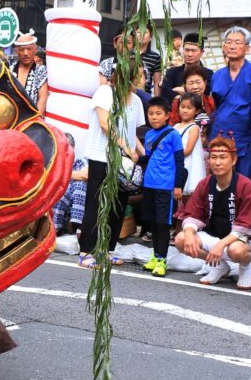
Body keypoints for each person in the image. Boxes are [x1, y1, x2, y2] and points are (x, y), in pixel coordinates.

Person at [78, 62, 146, 268]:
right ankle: (86, 251)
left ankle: (107, 249)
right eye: (141, 75)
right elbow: (105, 122)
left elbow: (131, 132)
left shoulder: (136, 101)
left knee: (118, 204)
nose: (144, 80)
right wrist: (125, 147)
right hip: (102, 155)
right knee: (97, 202)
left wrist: (143, 153)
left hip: (123, 162)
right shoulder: (106, 92)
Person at [174, 137, 251, 288]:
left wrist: (222, 244)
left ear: (233, 160)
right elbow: (192, 213)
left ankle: (245, 268)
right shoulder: (205, 183)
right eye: (213, 157)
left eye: (223, 157)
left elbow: (247, 225)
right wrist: (188, 233)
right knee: (181, 239)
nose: (217, 162)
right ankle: (218, 265)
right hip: (213, 236)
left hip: (239, 242)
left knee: (236, 250)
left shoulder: (246, 185)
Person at [140, 96, 185, 277]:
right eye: (151, 114)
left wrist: (178, 185)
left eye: (158, 113)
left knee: (162, 224)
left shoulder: (173, 134)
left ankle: (162, 260)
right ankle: (155, 256)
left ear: (167, 115)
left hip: (165, 186)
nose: (154, 117)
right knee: (152, 223)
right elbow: (147, 158)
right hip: (149, 184)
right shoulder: (149, 135)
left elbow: (180, 161)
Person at [209, 26, 251, 178]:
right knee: (220, 178)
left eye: (237, 42)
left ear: (247, 48)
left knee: (244, 180)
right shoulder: (217, 75)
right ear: (224, 47)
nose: (232, 46)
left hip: (246, 133)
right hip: (220, 132)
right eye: (229, 42)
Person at [52, 133, 88, 235]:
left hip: (73, 192)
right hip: (59, 191)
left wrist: (62, 174)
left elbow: (85, 175)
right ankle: (55, 229)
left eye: (68, 147)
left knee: (80, 185)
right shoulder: (54, 161)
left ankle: (76, 226)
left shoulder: (79, 161)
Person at [174, 93, 206, 201]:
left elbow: (188, 149)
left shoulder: (194, 128)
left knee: (187, 194)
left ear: (196, 111)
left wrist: (172, 154)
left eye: (189, 108)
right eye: (182, 107)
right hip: (177, 162)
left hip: (188, 163)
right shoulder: (175, 126)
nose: (185, 110)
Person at [10, 30, 48, 114]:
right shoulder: (9, 70)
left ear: (35, 49)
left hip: (32, 120)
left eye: (29, 49)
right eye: (21, 50)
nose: (25, 53)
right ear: (16, 51)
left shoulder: (41, 70)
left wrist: (35, 121)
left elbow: (43, 98)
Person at [139, 28, 162, 96]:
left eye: (145, 32)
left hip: (145, 95)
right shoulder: (127, 54)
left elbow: (156, 82)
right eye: (139, 32)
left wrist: (156, 101)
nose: (142, 34)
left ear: (150, 38)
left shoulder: (155, 57)